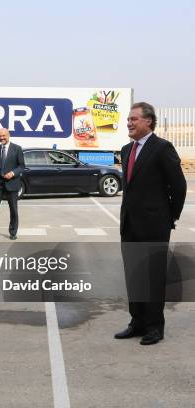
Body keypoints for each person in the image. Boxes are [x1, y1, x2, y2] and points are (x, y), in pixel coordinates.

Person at [114, 102, 186, 345]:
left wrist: (169, 217)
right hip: (129, 225)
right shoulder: (126, 149)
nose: (129, 123)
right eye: (129, 119)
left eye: (134, 119)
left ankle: (155, 327)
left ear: (149, 122)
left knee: (153, 277)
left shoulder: (162, 148)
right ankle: (137, 322)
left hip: (154, 226)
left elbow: (178, 186)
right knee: (133, 276)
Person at [0, 128, 24, 240]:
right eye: (0, 136)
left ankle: (13, 232)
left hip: (12, 184)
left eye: (4, 136)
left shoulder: (17, 149)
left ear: (9, 135)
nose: (1, 138)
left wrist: (12, 173)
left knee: (13, 209)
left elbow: (21, 166)